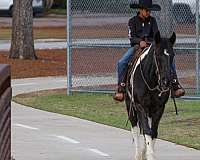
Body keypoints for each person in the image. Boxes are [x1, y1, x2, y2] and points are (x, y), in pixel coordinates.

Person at [113, 0, 185, 102]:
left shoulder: (153, 21)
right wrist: (140, 42)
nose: (148, 13)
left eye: (149, 11)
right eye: (146, 10)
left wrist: (150, 43)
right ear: (140, 10)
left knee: (169, 59)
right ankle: (121, 88)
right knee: (122, 62)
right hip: (137, 47)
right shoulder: (132, 21)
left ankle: (175, 84)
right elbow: (131, 37)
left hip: (151, 46)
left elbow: (156, 36)